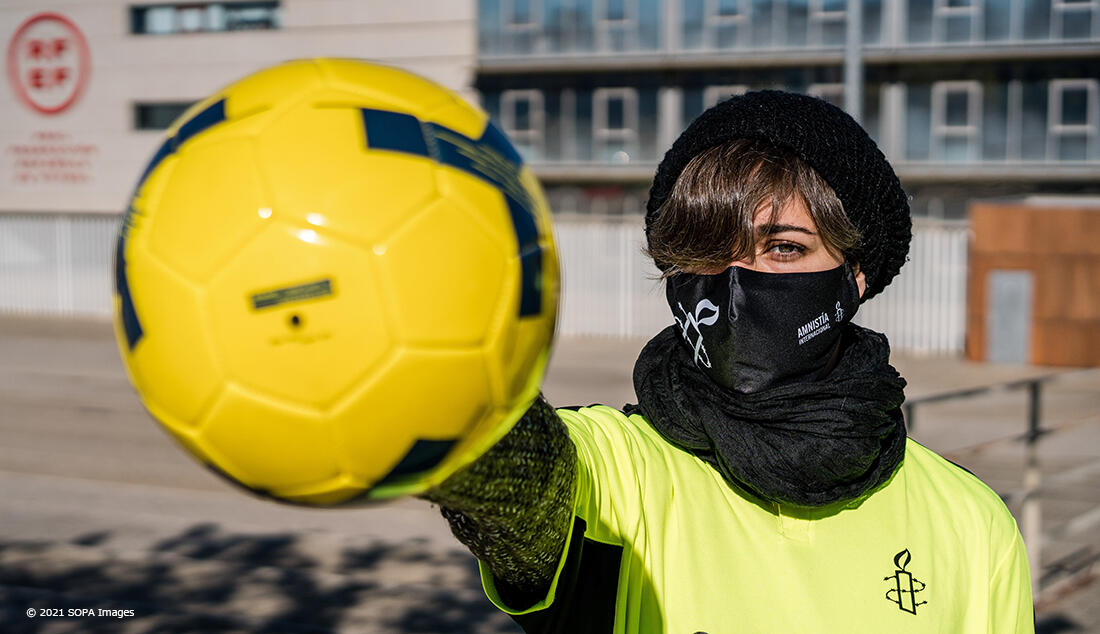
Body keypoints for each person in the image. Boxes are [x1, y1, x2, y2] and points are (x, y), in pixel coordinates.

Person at [422, 91, 1033, 633]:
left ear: (855, 279)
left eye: (785, 247)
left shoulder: (969, 527)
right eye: (707, 251)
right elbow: (512, 470)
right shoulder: (616, 476)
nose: (737, 284)